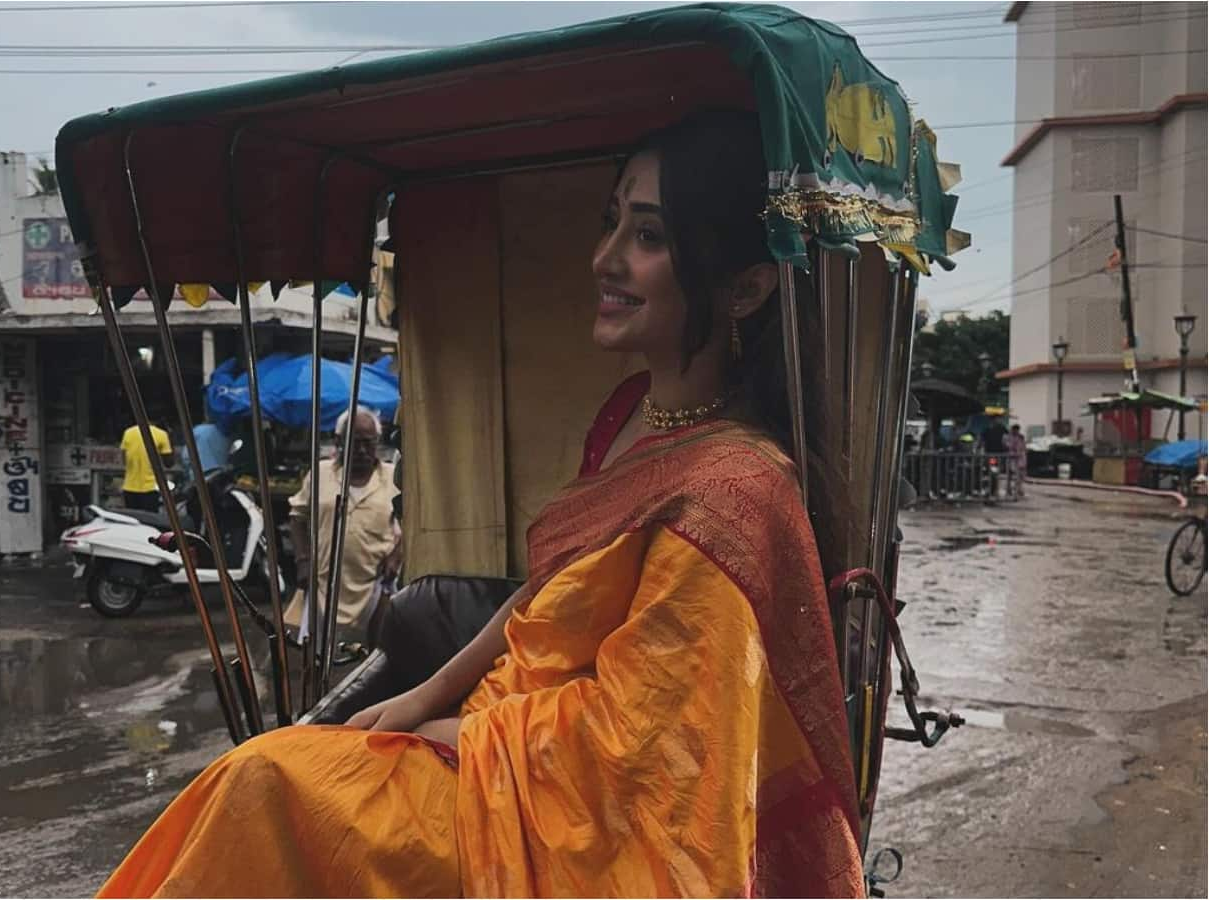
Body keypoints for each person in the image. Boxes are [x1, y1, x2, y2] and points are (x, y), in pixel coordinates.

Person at [98, 110, 863, 899]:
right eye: (611, 225)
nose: (605, 259)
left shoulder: (735, 492)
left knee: (265, 784)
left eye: (649, 237)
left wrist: (450, 733)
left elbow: (643, 747)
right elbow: (545, 594)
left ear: (745, 287)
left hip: (557, 812)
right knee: (250, 778)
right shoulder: (627, 415)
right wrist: (424, 695)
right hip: (497, 744)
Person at [282, 406, 400, 645]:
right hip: (324, 583)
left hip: (376, 584)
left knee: (379, 655)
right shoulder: (321, 473)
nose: (361, 450)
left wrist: (397, 557)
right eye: (354, 442)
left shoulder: (392, 477)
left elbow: (411, 523)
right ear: (339, 441)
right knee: (316, 654)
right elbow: (297, 516)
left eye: (368, 443)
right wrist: (303, 561)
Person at [118, 419, 173, 512]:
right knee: (150, 521)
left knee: (132, 521)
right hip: (151, 488)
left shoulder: (128, 432)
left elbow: (124, 460)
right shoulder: (161, 434)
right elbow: (169, 463)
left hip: (129, 487)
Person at [1005, 423, 1028, 497]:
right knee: (1010, 476)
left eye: (1017, 430)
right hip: (1011, 458)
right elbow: (1007, 446)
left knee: (1020, 476)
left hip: (1020, 459)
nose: (1016, 431)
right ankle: (1010, 490)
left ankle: (1019, 490)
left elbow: (1023, 447)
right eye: (1015, 430)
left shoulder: (1021, 437)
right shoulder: (1008, 437)